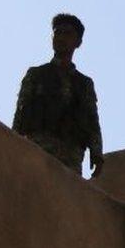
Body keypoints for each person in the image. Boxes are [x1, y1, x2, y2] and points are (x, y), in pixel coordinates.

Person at [12, 14, 104, 177]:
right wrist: (11, 144)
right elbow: (20, 115)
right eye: (57, 33)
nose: (60, 38)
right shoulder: (36, 75)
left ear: (78, 42)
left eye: (67, 34)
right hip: (38, 147)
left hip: (71, 155)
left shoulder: (84, 84)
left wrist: (96, 152)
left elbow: (92, 121)